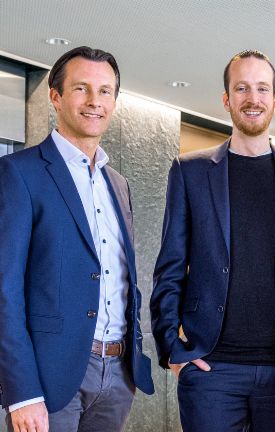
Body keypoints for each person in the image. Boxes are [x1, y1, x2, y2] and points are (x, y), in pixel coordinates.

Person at [150, 49, 275, 432]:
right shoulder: (191, 171)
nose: (253, 98)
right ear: (227, 99)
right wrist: (172, 349)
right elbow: (169, 267)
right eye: (242, 88)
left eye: (262, 89)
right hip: (211, 367)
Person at [0, 46, 155, 432]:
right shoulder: (19, 174)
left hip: (117, 374)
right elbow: (4, 290)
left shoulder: (117, 185)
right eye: (81, 89)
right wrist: (22, 392)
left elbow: (123, 278)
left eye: (105, 91)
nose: (94, 102)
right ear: (55, 96)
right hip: (50, 379)